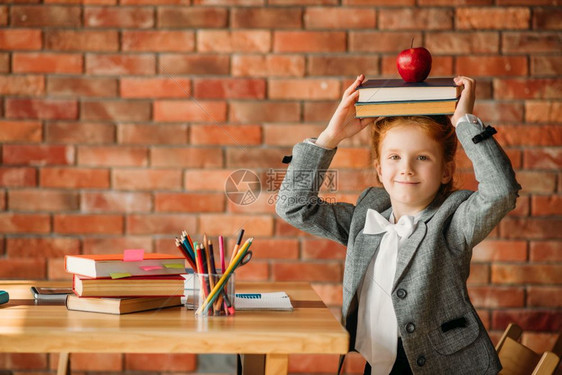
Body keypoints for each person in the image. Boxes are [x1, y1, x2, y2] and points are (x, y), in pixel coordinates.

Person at [275, 75, 520, 374]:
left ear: (445, 171)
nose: (406, 168)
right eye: (394, 157)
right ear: (379, 170)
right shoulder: (366, 218)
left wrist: (465, 123)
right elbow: (293, 205)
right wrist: (329, 137)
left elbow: (501, 191)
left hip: (442, 367)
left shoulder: (454, 221)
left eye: (422, 157)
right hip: (378, 365)